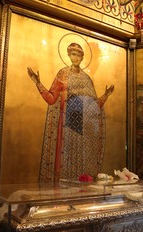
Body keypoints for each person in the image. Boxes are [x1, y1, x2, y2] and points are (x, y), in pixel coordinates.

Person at [27, 42, 114, 182]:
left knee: (81, 160)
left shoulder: (86, 78)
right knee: (65, 159)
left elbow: (94, 106)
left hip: (84, 129)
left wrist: (106, 95)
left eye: (79, 55)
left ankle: (81, 191)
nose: (76, 57)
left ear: (82, 57)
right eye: (73, 54)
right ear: (68, 55)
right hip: (68, 125)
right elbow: (51, 99)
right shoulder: (63, 74)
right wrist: (37, 83)